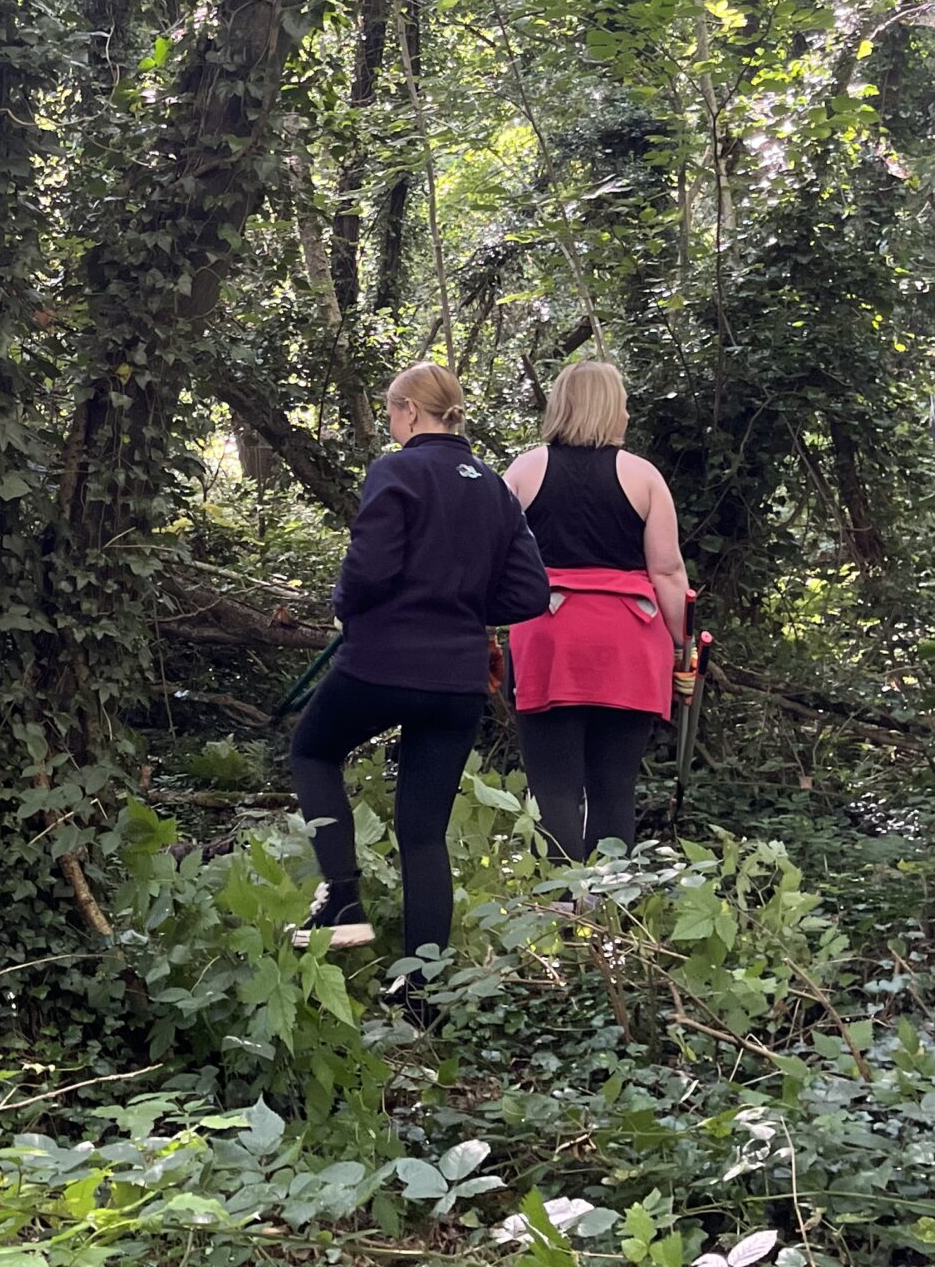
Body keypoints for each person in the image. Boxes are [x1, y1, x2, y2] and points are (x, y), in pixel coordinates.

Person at [290, 363, 551, 1001]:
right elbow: (530, 591)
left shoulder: (397, 471)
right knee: (424, 833)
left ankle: (342, 902)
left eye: (391, 409)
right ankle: (423, 995)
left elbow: (369, 570)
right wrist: (463, 609)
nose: (390, 420)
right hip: (458, 678)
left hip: (382, 663)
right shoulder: (494, 488)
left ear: (409, 409)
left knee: (313, 750)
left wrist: (348, 605)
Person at [500, 361, 690, 863]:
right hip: (630, 638)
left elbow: (494, 561)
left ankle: (561, 898)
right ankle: (610, 899)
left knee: (554, 787)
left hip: (548, 634)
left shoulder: (524, 471)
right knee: (613, 788)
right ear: (610, 408)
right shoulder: (644, 477)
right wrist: (685, 646)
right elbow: (668, 571)